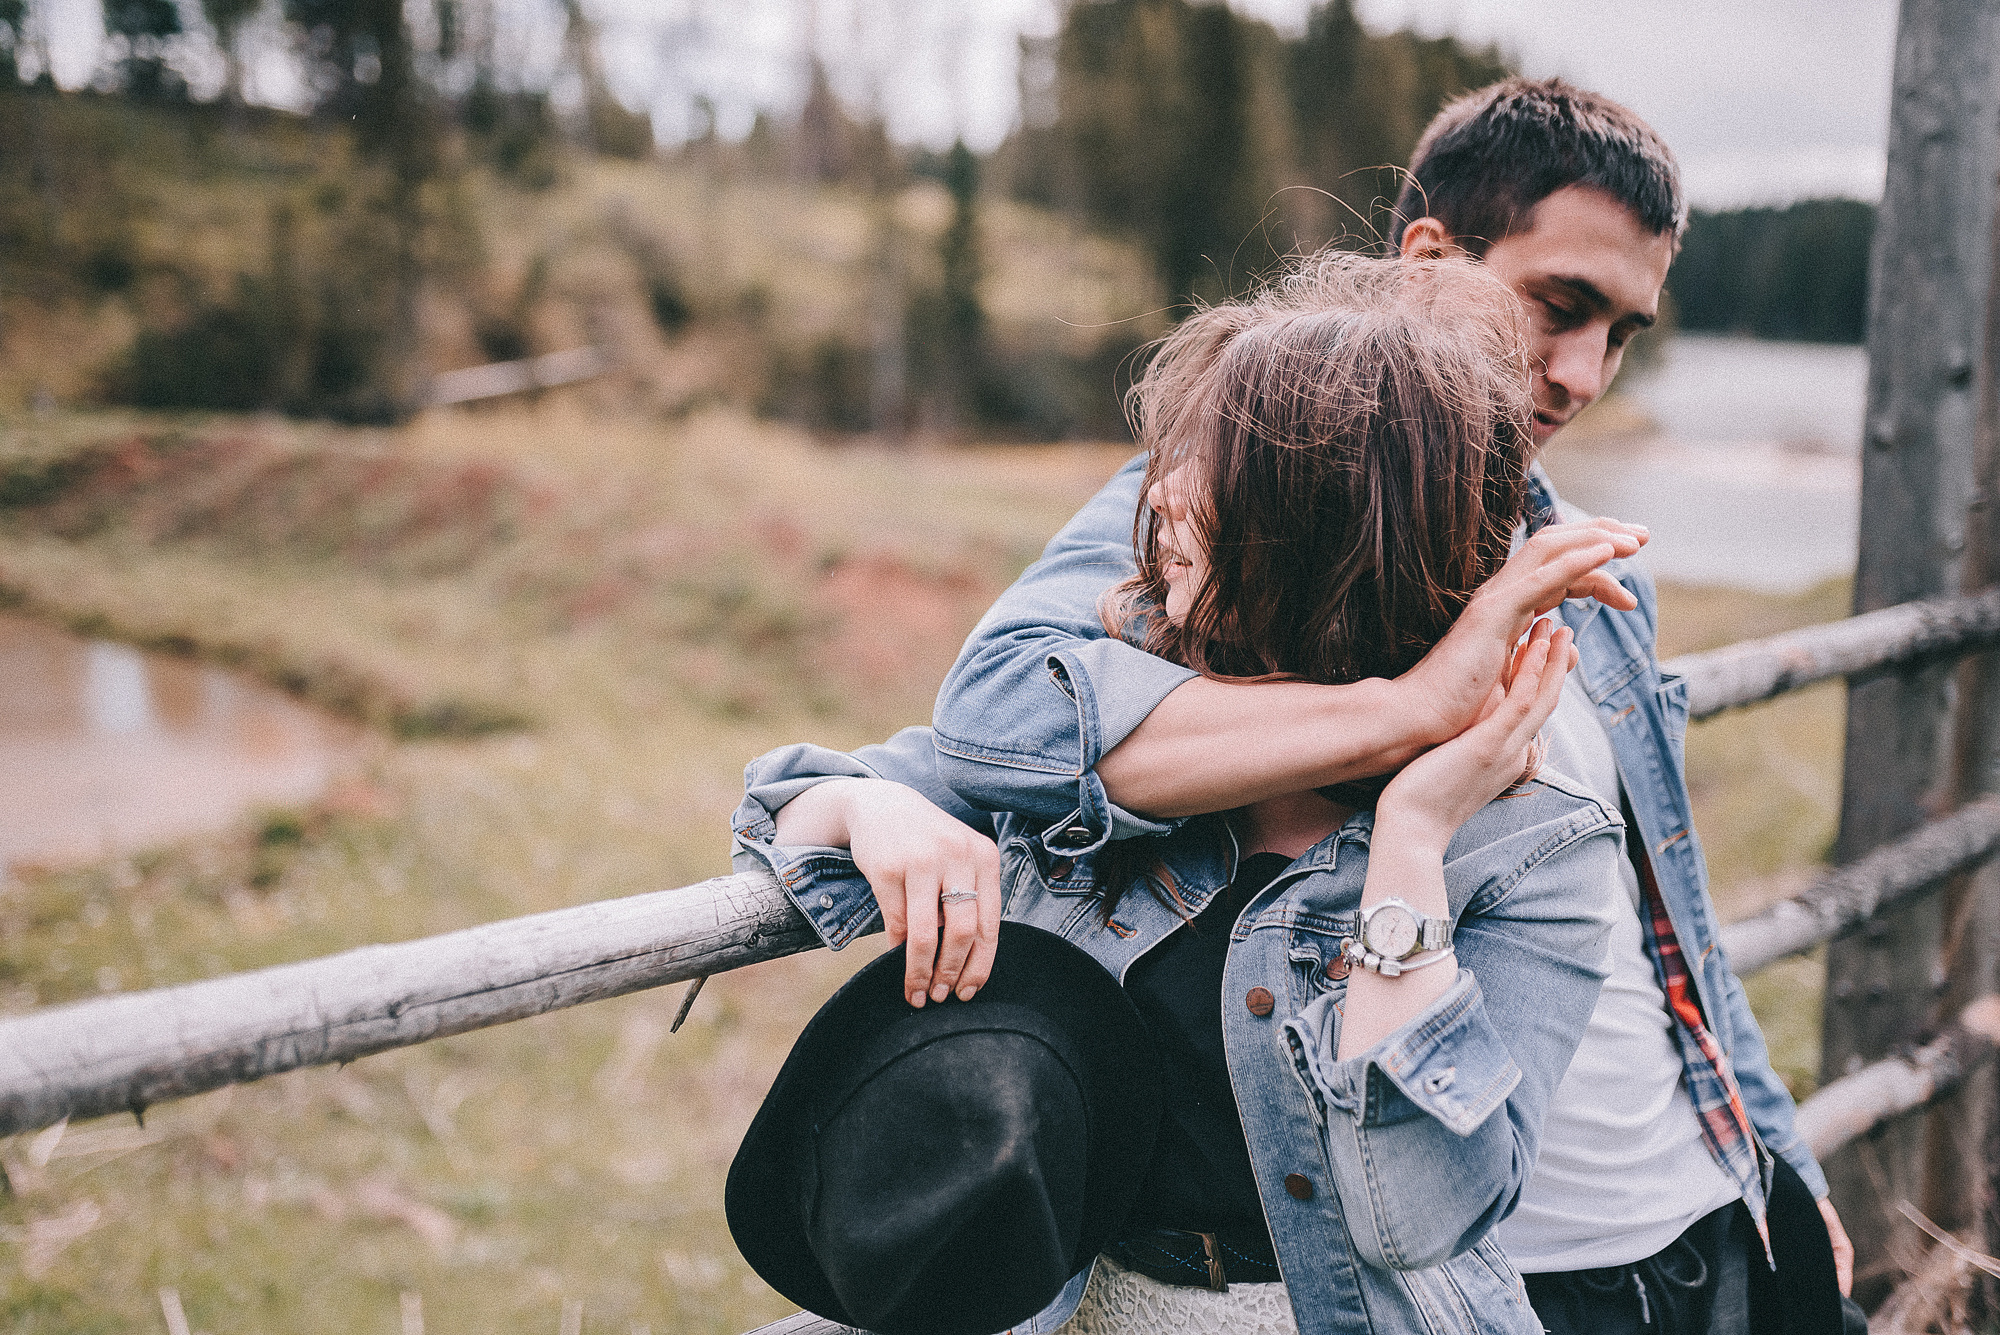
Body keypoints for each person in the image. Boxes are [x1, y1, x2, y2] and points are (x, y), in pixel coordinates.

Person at [913, 77, 1855, 1335]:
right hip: (1496, 1266)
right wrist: (1412, 712)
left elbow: (1658, 903)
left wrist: (1772, 1150)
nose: (1580, 375)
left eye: (1622, 334)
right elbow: (998, 711)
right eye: (1557, 306)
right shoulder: (1232, 492)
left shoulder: (1583, 556)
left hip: (1701, 1220)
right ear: (1428, 265)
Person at [736, 251, 1629, 1335]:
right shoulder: (1136, 744)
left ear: (1316, 530)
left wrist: (1409, 840)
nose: (1155, 495)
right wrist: (868, 809)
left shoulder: (1534, 845)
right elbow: (798, 797)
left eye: (1202, 469)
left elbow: (1418, 1211)